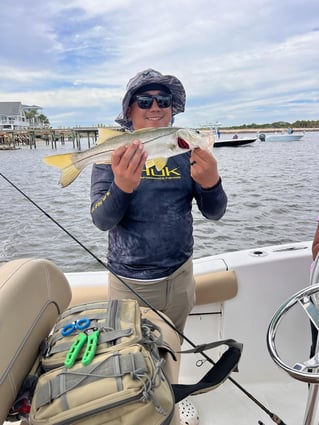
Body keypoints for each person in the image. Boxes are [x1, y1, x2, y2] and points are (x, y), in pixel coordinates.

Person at [90, 69, 227, 336]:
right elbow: (101, 220)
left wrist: (211, 183)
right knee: (132, 368)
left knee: (172, 355)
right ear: (129, 110)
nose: (155, 107)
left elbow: (214, 213)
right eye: (144, 101)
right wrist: (122, 187)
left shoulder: (185, 151)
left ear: (172, 109)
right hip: (129, 283)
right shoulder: (114, 155)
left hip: (180, 278)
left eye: (163, 101)